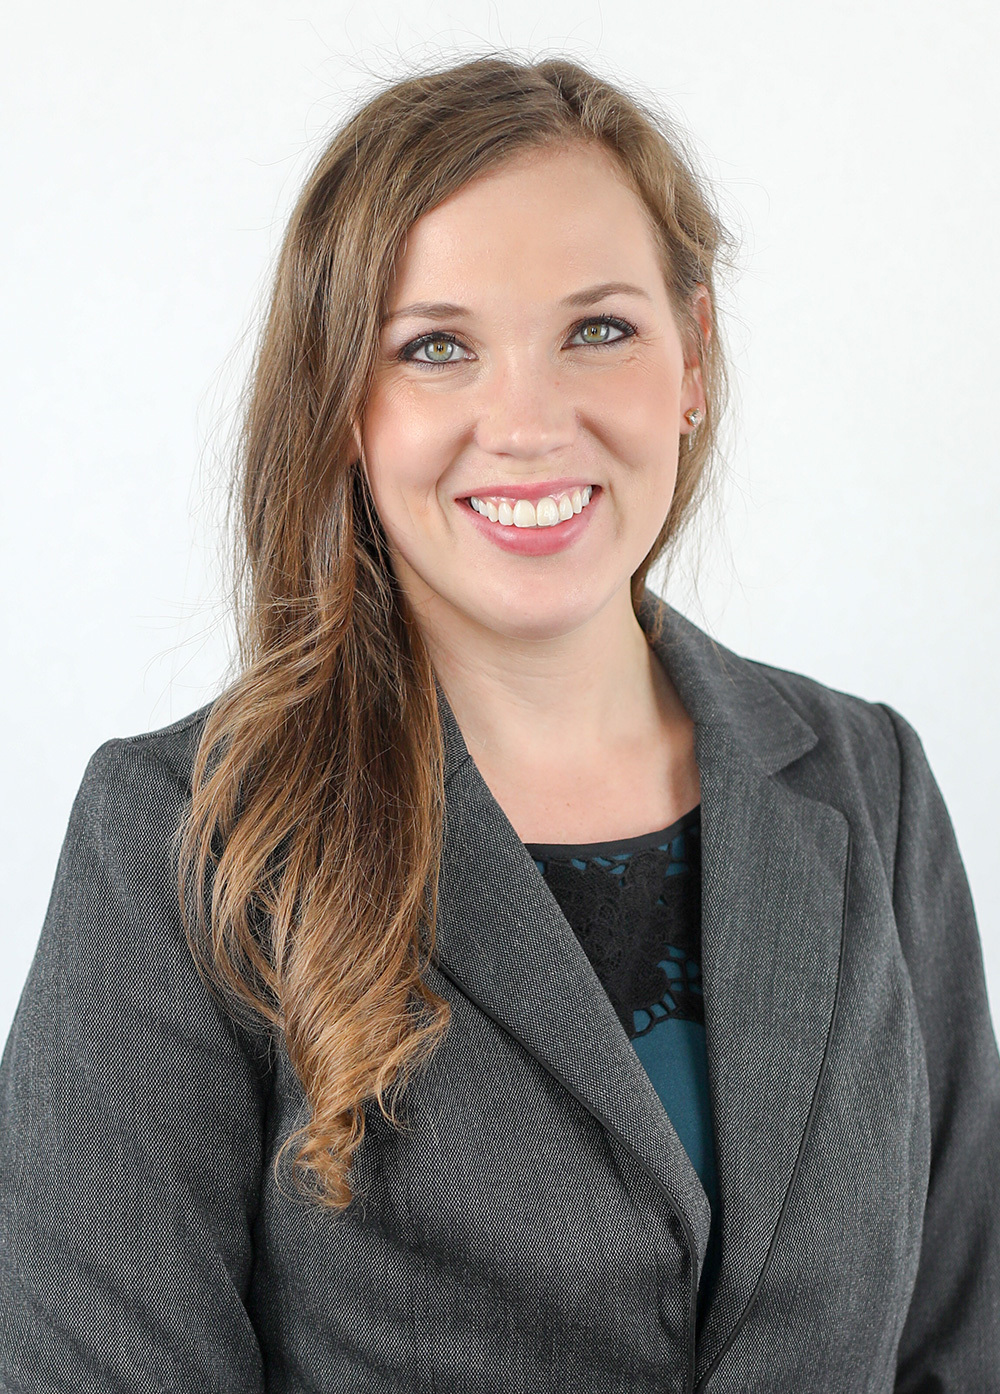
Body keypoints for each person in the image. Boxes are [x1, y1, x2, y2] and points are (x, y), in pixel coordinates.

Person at [1, 51, 997, 1394]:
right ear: (346, 403)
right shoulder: (183, 834)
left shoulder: (868, 781)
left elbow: (963, 1334)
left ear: (692, 355)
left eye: (599, 328)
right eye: (436, 347)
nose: (527, 422)